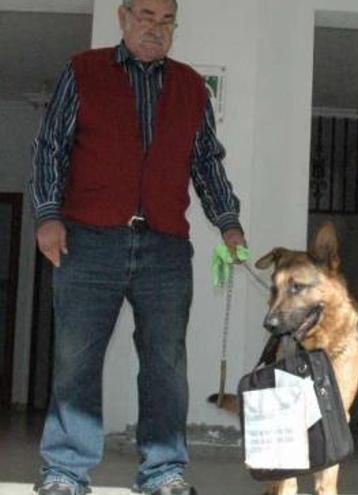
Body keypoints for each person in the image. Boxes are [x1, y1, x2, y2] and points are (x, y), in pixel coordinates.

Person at [29, 1, 246, 494]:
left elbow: (206, 161)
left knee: (166, 364)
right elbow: (51, 148)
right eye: (146, 15)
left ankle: (164, 472)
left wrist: (228, 223)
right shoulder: (82, 71)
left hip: (165, 247)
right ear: (123, 18)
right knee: (75, 359)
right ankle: (65, 472)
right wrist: (47, 215)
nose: (156, 27)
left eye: (166, 19)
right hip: (88, 241)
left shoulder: (191, 86)